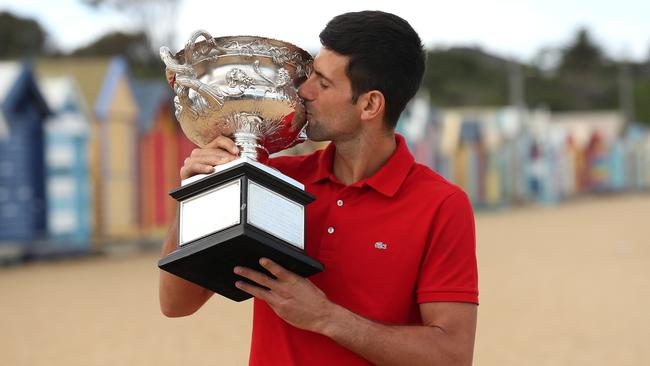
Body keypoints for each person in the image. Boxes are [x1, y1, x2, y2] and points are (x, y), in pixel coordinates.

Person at [159, 10, 478, 366]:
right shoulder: (274, 177)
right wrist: (198, 192)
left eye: (323, 84)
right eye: (310, 74)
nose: (304, 91)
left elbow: (452, 355)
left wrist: (326, 317)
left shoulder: (441, 204)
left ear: (370, 104)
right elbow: (176, 305)